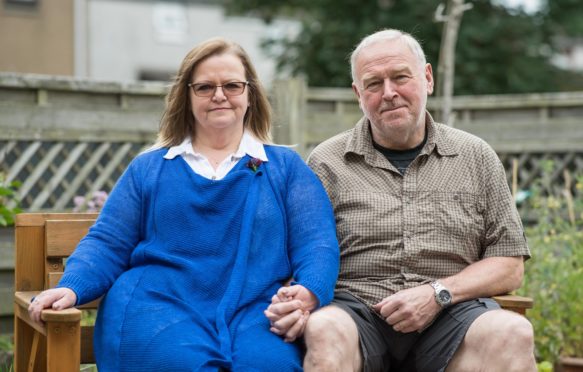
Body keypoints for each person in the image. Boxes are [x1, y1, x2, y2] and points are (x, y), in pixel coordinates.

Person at [28, 38, 339, 371]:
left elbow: (317, 244)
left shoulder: (286, 168)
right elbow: (108, 242)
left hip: (256, 312)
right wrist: (72, 287)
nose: (219, 95)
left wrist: (307, 292)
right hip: (156, 307)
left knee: (269, 365)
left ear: (250, 94)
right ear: (187, 97)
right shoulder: (149, 169)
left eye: (232, 85)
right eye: (205, 87)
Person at [265, 29, 536, 371]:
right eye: (374, 83)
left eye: (400, 77)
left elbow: (509, 264)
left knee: (513, 332)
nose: (389, 93)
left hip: (453, 315)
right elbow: (299, 253)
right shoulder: (326, 162)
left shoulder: (475, 157)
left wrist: (438, 292)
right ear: (358, 94)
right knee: (324, 329)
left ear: (427, 78)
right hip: (357, 313)